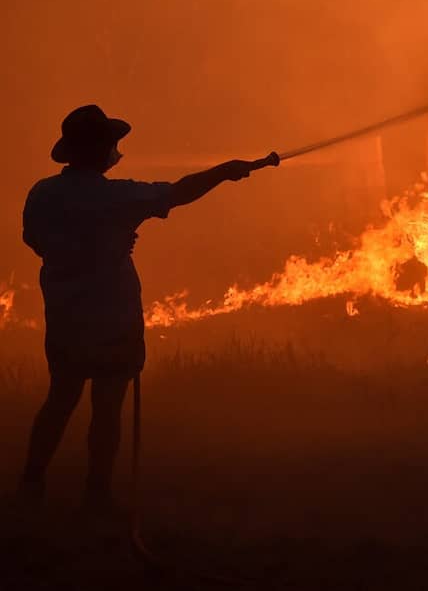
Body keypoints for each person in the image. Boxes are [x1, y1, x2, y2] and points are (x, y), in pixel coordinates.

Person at [17, 104, 277, 514]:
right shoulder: (118, 197)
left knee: (60, 398)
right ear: (102, 149)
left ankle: (31, 484)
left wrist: (91, 251)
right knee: (107, 407)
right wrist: (226, 171)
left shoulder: (42, 194)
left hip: (65, 318)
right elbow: (179, 191)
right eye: (111, 144)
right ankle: (97, 494)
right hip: (112, 321)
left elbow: (36, 243)